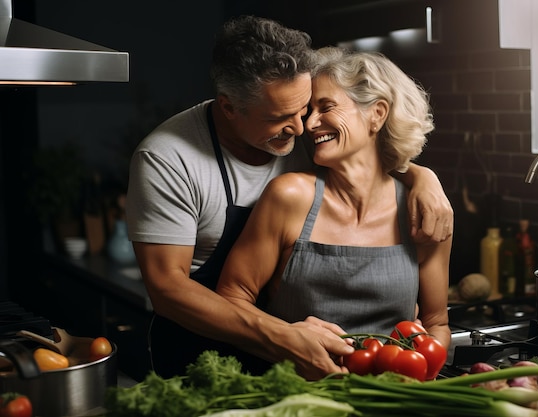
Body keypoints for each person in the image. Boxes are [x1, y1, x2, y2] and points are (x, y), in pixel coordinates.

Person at [126, 15, 453, 380]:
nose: (302, 128)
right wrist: (284, 336)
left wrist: (423, 176)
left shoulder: (301, 137)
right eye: (284, 116)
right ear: (230, 107)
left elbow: (367, 160)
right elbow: (168, 288)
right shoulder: (169, 159)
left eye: (306, 108)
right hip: (201, 357)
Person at [216, 47, 451, 351]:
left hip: (393, 389)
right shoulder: (289, 197)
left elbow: (436, 323)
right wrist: (287, 336)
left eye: (325, 107)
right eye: (308, 111)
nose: (309, 125)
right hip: (298, 388)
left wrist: (420, 370)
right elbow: (232, 299)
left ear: (376, 114)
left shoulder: (424, 209)